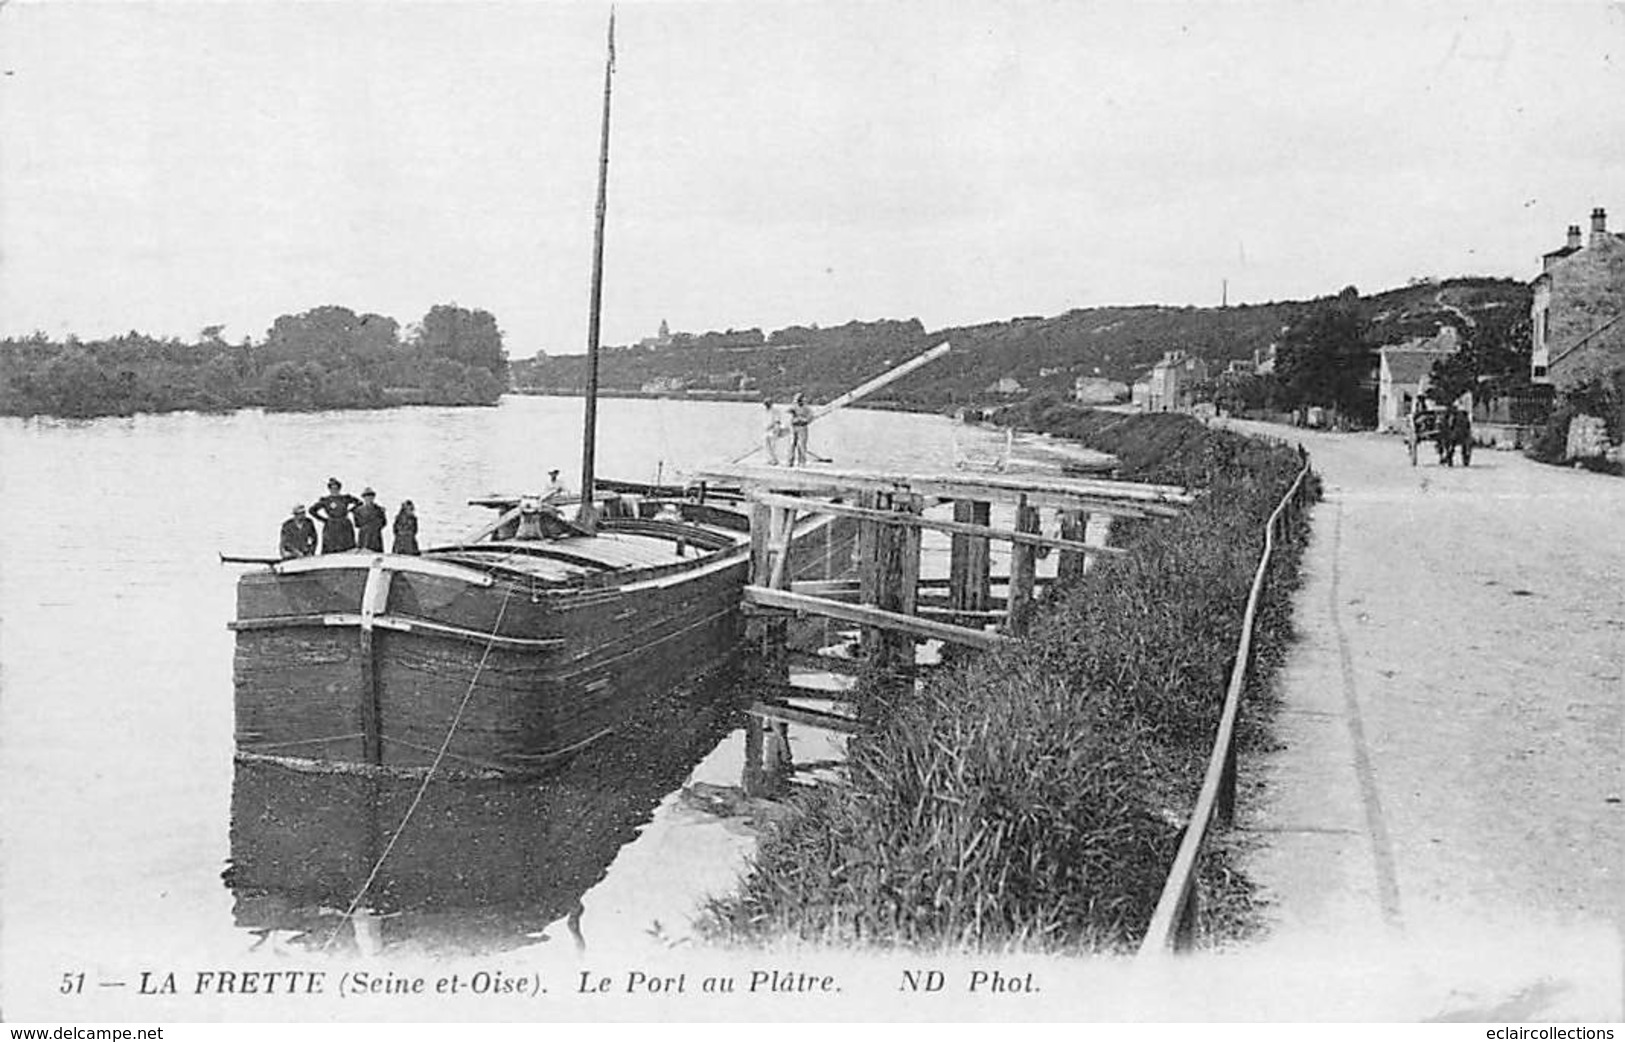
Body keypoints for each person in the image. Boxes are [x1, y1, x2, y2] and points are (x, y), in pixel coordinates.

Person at [309, 478, 361, 554]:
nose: (334, 490)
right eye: (332, 488)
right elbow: (312, 510)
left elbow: (359, 503)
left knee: (347, 546)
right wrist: (324, 520)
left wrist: (351, 510)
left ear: (339, 488)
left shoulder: (345, 498)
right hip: (331, 525)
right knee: (331, 547)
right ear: (329, 489)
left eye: (336, 488)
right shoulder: (326, 500)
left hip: (344, 524)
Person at [788, 392, 815, 467]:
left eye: (800, 400)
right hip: (794, 427)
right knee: (792, 444)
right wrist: (793, 412)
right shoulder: (794, 407)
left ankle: (802, 462)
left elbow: (811, 417)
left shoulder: (807, 408)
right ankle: (790, 461)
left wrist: (805, 420)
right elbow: (788, 411)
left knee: (802, 445)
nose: (799, 402)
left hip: (802, 427)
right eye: (798, 400)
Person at [762, 399, 786, 465]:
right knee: (766, 444)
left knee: (773, 445)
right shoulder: (766, 411)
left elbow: (777, 421)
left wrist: (776, 429)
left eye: (767, 403)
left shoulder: (775, 410)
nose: (766, 405)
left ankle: (774, 460)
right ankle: (770, 459)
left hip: (774, 429)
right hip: (767, 430)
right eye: (765, 404)